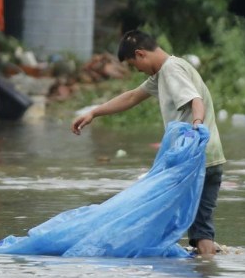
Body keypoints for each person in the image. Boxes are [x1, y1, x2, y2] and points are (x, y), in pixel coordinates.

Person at [71, 30, 226, 255]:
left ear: (141, 54)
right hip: (204, 160)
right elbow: (132, 97)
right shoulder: (165, 72)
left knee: (197, 228)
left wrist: (197, 126)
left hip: (198, 160)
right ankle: (205, 258)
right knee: (195, 224)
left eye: (135, 65)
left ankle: (205, 270)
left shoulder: (171, 70)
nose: (138, 71)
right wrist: (94, 112)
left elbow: (195, 100)